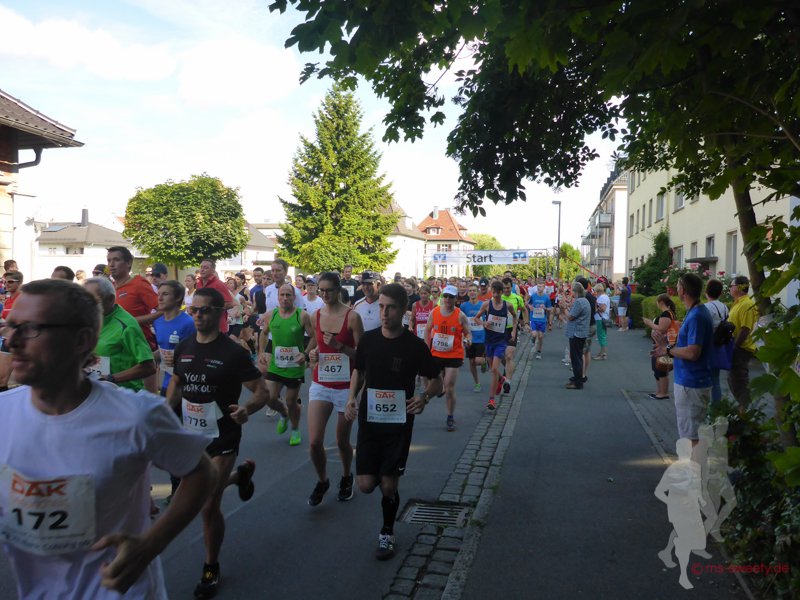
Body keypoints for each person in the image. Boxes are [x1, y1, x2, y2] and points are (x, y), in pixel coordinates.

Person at [0, 278, 216, 599]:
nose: (12, 341)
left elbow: (203, 472)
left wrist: (151, 544)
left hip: (119, 591)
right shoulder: (3, 413)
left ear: (81, 340)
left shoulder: (136, 415)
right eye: (10, 326)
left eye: (31, 328)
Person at [168, 287, 282, 598]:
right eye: (194, 310)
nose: (198, 315)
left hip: (223, 437)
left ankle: (210, 567)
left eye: (204, 310)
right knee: (203, 491)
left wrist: (247, 409)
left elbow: (262, 392)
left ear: (220, 313)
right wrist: (164, 413)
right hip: (192, 436)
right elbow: (177, 383)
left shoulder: (232, 353)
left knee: (207, 504)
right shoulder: (184, 347)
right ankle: (240, 476)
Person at [345, 283, 443, 560]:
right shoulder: (369, 340)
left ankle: (387, 532)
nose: (384, 313)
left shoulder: (415, 346)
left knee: (388, 486)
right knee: (366, 485)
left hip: (398, 424)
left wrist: (424, 397)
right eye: (381, 307)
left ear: (403, 310)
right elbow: (359, 372)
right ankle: (385, 476)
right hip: (370, 421)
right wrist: (351, 398)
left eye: (390, 308)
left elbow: (436, 381)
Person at [307, 272, 364, 505]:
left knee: (342, 441)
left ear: (339, 290)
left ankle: (346, 476)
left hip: (345, 386)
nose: (324, 294)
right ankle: (322, 480)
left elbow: (362, 356)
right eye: (321, 290)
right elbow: (317, 345)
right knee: (314, 442)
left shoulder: (352, 317)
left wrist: (340, 346)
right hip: (321, 382)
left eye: (328, 290)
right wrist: (312, 354)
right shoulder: (316, 315)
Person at [259, 283, 316, 447]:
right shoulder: (271, 315)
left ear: (294, 297)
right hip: (276, 364)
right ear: (278, 297)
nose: (285, 298)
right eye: (282, 295)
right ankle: (284, 414)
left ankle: (295, 429)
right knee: (268, 398)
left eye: (288, 295)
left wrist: (305, 354)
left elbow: (314, 337)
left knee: (291, 402)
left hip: (294, 366)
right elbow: (263, 333)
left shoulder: (302, 316)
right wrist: (261, 351)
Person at [83, 277, 156, 391]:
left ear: (111, 299)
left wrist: (111, 378)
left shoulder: (127, 325)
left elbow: (149, 366)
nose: (88, 305)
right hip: (98, 392)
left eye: (94, 301)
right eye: (85, 300)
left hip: (123, 394)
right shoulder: (90, 319)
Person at [666, 273, 714, 443]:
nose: (676, 290)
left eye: (678, 287)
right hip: (692, 381)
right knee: (692, 434)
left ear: (683, 290)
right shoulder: (696, 312)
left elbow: (693, 353)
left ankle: (694, 462)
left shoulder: (696, 316)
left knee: (691, 437)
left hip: (691, 383)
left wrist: (669, 350)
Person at [107, 246, 160, 392]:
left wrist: (132, 322)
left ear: (129, 263)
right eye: (109, 260)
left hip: (140, 349)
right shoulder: (109, 287)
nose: (111, 264)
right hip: (116, 349)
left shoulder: (139, 284)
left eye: (116, 260)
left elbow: (161, 311)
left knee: (146, 396)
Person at [425, 284, 472, 431]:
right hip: (436, 353)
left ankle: (450, 416)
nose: (447, 299)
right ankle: (440, 389)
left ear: (455, 299)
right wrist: (426, 348)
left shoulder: (460, 315)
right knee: (435, 382)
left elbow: (468, 333)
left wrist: (468, 340)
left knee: (449, 386)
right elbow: (427, 329)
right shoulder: (434, 312)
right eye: (445, 296)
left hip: (454, 355)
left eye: (451, 297)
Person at [474, 280, 517, 409]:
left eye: (498, 292)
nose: (496, 295)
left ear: (502, 292)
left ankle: (491, 400)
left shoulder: (507, 305)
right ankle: (502, 379)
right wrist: (483, 323)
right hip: (489, 341)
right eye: (494, 292)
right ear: (491, 292)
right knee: (492, 368)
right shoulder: (487, 304)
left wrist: (513, 331)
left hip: (501, 341)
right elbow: (476, 318)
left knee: (493, 369)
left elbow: (515, 317)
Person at [728, 275, 758, 410]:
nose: (729, 288)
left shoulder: (747, 304)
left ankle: (745, 411)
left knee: (739, 381)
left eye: (731, 286)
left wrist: (735, 347)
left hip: (741, 348)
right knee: (733, 381)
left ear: (739, 287)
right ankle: (743, 409)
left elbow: (745, 329)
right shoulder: (738, 303)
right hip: (736, 347)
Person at [644, 294, 677, 400]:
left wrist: (650, 323)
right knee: (657, 369)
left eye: (657, 301)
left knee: (661, 369)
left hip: (663, 345)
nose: (656, 303)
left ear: (661, 302)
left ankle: (664, 393)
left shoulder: (666, 314)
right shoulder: (668, 313)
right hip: (660, 345)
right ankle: (659, 391)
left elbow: (662, 329)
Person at [703, 279, 729, 405]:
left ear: (706, 292)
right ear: (720, 293)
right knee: (715, 379)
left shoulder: (706, 307)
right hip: (719, 344)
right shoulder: (724, 307)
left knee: (705, 379)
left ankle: (708, 407)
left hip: (707, 345)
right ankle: (716, 407)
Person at [195, 259, 235, 335]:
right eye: (201, 267)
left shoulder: (219, 284)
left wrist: (212, 310)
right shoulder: (198, 284)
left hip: (218, 327)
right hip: (203, 326)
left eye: (206, 268)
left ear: (213, 270)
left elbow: (230, 303)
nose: (202, 270)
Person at [460, 282, 487, 391]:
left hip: (481, 337)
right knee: (471, 362)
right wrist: (463, 335)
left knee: (478, 361)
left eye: (474, 290)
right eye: (470, 290)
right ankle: (477, 383)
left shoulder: (483, 305)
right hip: (469, 337)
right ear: (468, 293)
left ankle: (484, 362)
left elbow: (488, 319)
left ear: (477, 292)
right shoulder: (463, 306)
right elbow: (461, 321)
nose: (472, 292)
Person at [565, 281, 590, 389]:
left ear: (576, 291)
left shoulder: (579, 302)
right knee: (578, 357)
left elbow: (570, 317)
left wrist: (564, 309)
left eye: (572, 291)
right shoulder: (585, 300)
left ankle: (577, 382)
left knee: (576, 358)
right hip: (582, 332)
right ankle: (577, 377)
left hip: (577, 333)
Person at [526, 281, 552, 359]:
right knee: (534, 334)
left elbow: (550, 308)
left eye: (540, 287)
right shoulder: (533, 296)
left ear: (544, 288)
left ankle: (539, 351)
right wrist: (530, 306)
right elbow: (527, 303)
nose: (539, 288)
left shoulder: (546, 297)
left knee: (540, 336)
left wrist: (545, 308)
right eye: (538, 286)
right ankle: (533, 340)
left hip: (542, 319)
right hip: (534, 318)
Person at [593, 283, 610, 360]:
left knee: (601, 336)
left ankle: (603, 354)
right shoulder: (605, 296)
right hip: (604, 318)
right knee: (602, 336)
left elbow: (602, 309)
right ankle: (601, 353)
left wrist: (596, 308)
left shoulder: (601, 298)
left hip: (600, 318)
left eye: (596, 291)